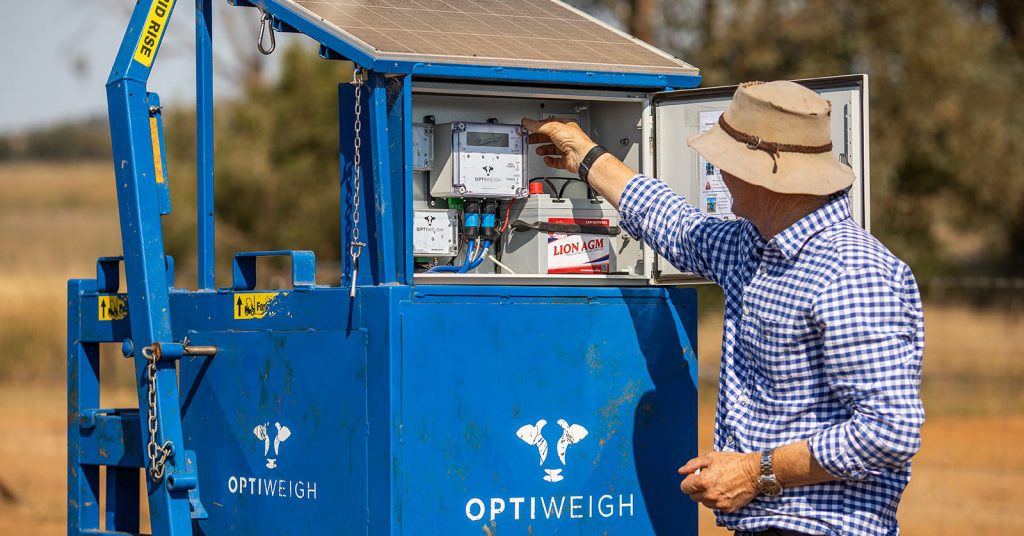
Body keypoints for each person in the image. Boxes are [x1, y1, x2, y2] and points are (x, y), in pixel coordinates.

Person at [522, 80, 925, 536]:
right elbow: (673, 221)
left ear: (765, 173)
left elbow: (889, 432)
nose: (717, 169)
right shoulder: (752, 247)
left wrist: (756, 472)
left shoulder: (852, 273)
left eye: (727, 160)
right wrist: (586, 155)